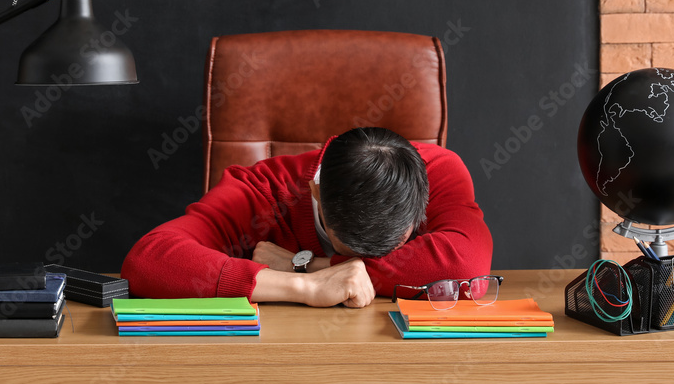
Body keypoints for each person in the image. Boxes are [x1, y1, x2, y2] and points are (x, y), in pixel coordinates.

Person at [121, 127, 493, 308]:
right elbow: (148, 261)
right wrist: (305, 288)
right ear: (316, 193)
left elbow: (467, 265)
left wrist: (307, 265)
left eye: (393, 247)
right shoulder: (260, 192)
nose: (359, 264)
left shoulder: (440, 169)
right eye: (351, 249)